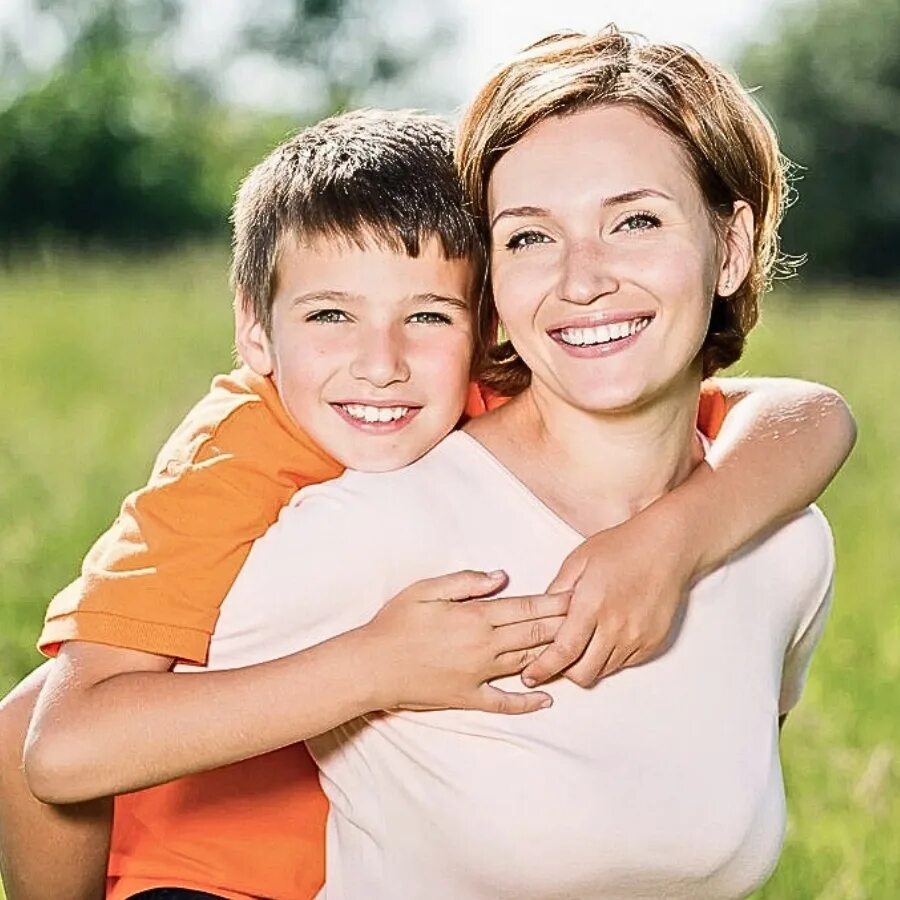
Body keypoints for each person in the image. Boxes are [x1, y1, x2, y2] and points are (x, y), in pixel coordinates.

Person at [11, 75, 852, 900]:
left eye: (428, 315)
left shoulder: (503, 388)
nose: (382, 367)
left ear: (481, 318)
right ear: (254, 329)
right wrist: (376, 667)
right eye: (532, 236)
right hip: (196, 874)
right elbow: (39, 736)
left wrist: (671, 543)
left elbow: (804, 414)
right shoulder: (252, 459)